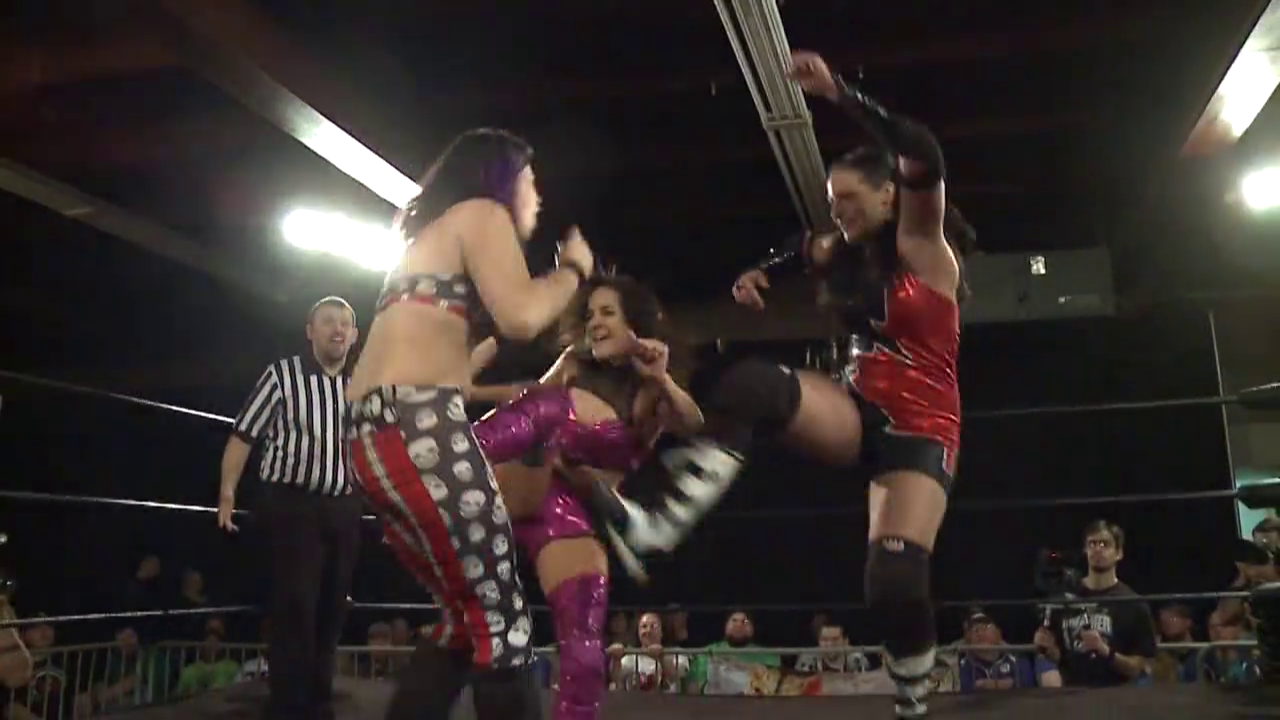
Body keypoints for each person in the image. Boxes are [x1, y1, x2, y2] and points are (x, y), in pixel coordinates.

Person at [597, 49, 974, 719]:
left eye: (850, 201)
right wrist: (757, 272)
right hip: (853, 407)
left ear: (889, 195)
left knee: (891, 578)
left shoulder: (925, 247)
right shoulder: (836, 248)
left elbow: (922, 151)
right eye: (832, 204)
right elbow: (798, 247)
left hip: (921, 426)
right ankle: (660, 518)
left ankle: (914, 681)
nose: (839, 214)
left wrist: (838, 93)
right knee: (751, 385)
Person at [343, 128, 595, 720]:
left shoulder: (429, 238)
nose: (537, 198)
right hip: (419, 428)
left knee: (466, 621)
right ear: (502, 179)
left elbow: (452, 359)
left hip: (374, 435)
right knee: (501, 619)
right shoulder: (481, 212)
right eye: (530, 181)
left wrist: (514, 378)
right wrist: (573, 272)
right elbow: (523, 316)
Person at [471, 275, 703, 720]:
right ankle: (450, 465)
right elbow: (525, 407)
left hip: (565, 507)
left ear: (636, 323)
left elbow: (693, 423)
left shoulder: (649, 391)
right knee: (545, 408)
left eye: (607, 312)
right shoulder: (572, 365)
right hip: (513, 479)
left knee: (584, 648)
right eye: (591, 313)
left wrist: (662, 378)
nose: (594, 321)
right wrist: (473, 393)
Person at [218, 295, 363, 720]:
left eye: (345, 322)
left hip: (345, 505)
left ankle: (319, 693)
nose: (338, 329)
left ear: (354, 335)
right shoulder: (282, 376)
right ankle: (290, 703)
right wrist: (227, 493)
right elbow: (244, 434)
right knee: (296, 601)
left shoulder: (362, 382)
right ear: (310, 331)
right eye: (328, 321)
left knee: (335, 603)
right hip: (293, 503)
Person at [1031, 521, 1157, 687]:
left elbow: (1141, 667)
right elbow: (1062, 657)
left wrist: (1106, 653)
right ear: (1086, 550)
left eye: (1104, 544)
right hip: (1073, 694)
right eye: (1092, 544)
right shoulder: (1066, 597)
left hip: (1117, 695)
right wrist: (1047, 649)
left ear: (1119, 553)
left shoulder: (1133, 604)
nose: (1098, 549)